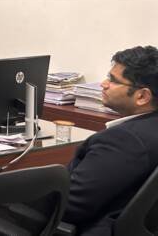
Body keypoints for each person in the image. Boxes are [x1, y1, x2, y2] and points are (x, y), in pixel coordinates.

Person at [63, 46, 158, 236]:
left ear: (142, 96)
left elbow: (69, 205)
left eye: (113, 80)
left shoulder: (125, 141)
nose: (103, 84)